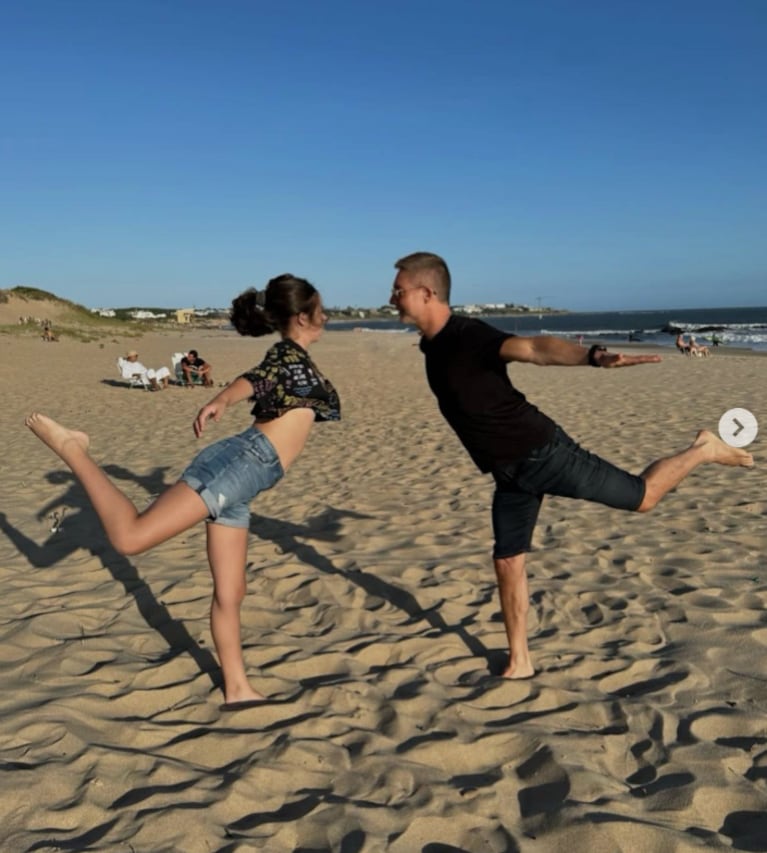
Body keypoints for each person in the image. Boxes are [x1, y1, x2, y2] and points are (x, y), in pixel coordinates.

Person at [390, 252, 753, 680]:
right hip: (507, 473)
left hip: (542, 454)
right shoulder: (432, 344)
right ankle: (520, 660)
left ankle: (703, 449)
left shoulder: (467, 335)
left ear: (427, 292)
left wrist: (593, 356)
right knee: (507, 561)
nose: (391, 298)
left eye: (398, 291)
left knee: (643, 497)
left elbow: (534, 349)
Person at [26, 274, 340, 710]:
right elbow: (254, 379)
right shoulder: (285, 353)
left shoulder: (298, 358)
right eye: (321, 310)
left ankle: (237, 690)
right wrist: (223, 401)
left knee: (231, 593)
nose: (326, 317)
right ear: (302, 317)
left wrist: (226, 401)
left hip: (246, 482)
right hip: (240, 465)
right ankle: (73, 449)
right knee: (130, 538)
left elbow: (261, 380)